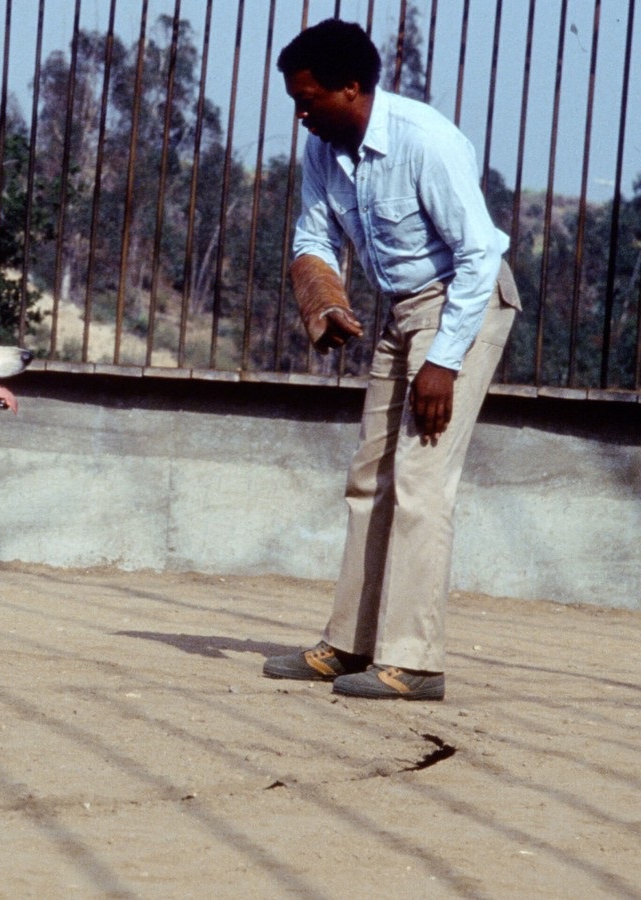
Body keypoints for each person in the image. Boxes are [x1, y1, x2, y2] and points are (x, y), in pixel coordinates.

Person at [262, 19, 520, 701]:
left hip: (463, 305)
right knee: (369, 477)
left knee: (421, 478)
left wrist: (444, 361)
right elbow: (313, 238)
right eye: (295, 102)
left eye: (308, 100)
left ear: (351, 87)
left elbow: (479, 253)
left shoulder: (424, 138)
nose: (301, 115)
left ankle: (415, 661)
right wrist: (324, 300)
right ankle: (350, 644)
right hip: (403, 311)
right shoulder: (324, 150)